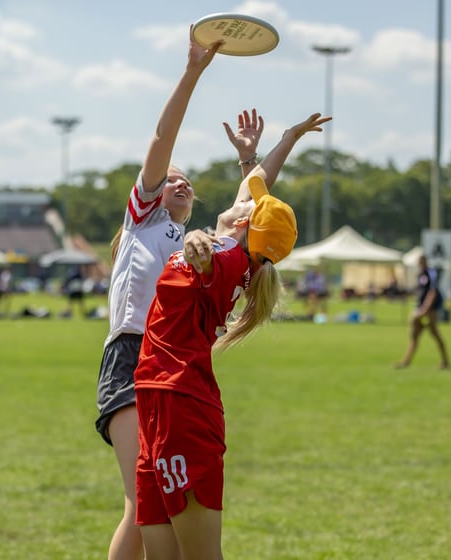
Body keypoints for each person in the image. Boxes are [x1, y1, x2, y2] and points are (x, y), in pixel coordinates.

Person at [94, 28, 265, 560]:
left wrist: (250, 159)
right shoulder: (145, 220)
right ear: (150, 191)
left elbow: (250, 207)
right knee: (138, 506)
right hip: (132, 359)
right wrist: (193, 72)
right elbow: (161, 140)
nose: (181, 182)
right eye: (172, 179)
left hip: (170, 368)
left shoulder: (197, 245)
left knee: (157, 513)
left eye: (188, 180)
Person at [134, 112, 330, 560]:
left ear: (244, 225)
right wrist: (286, 139)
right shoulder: (233, 247)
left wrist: (194, 247)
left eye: (249, 203)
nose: (245, 194)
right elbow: (255, 182)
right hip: (158, 399)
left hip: (181, 403)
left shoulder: (222, 260)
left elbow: (246, 199)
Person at [395, 254, 450, 369]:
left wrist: (426, 308)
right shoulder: (421, 275)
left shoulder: (431, 273)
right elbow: (421, 291)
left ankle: (445, 361)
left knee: (434, 333)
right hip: (421, 307)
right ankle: (406, 361)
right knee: (414, 335)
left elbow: (432, 291)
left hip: (429, 309)